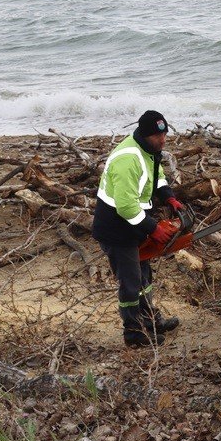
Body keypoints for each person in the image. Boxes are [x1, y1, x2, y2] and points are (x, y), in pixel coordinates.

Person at [92, 110, 183, 345]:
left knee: (144, 276)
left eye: (165, 135)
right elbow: (125, 206)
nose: (162, 140)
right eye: (157, 136)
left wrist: (169, 197)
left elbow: (157, 176)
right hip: (116, 228)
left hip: (133, 225)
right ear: (144, 135)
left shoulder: (150, 151)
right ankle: (133, 333)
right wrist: (153, 228)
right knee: (131, 282)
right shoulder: (128, 158)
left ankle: (149, 320)